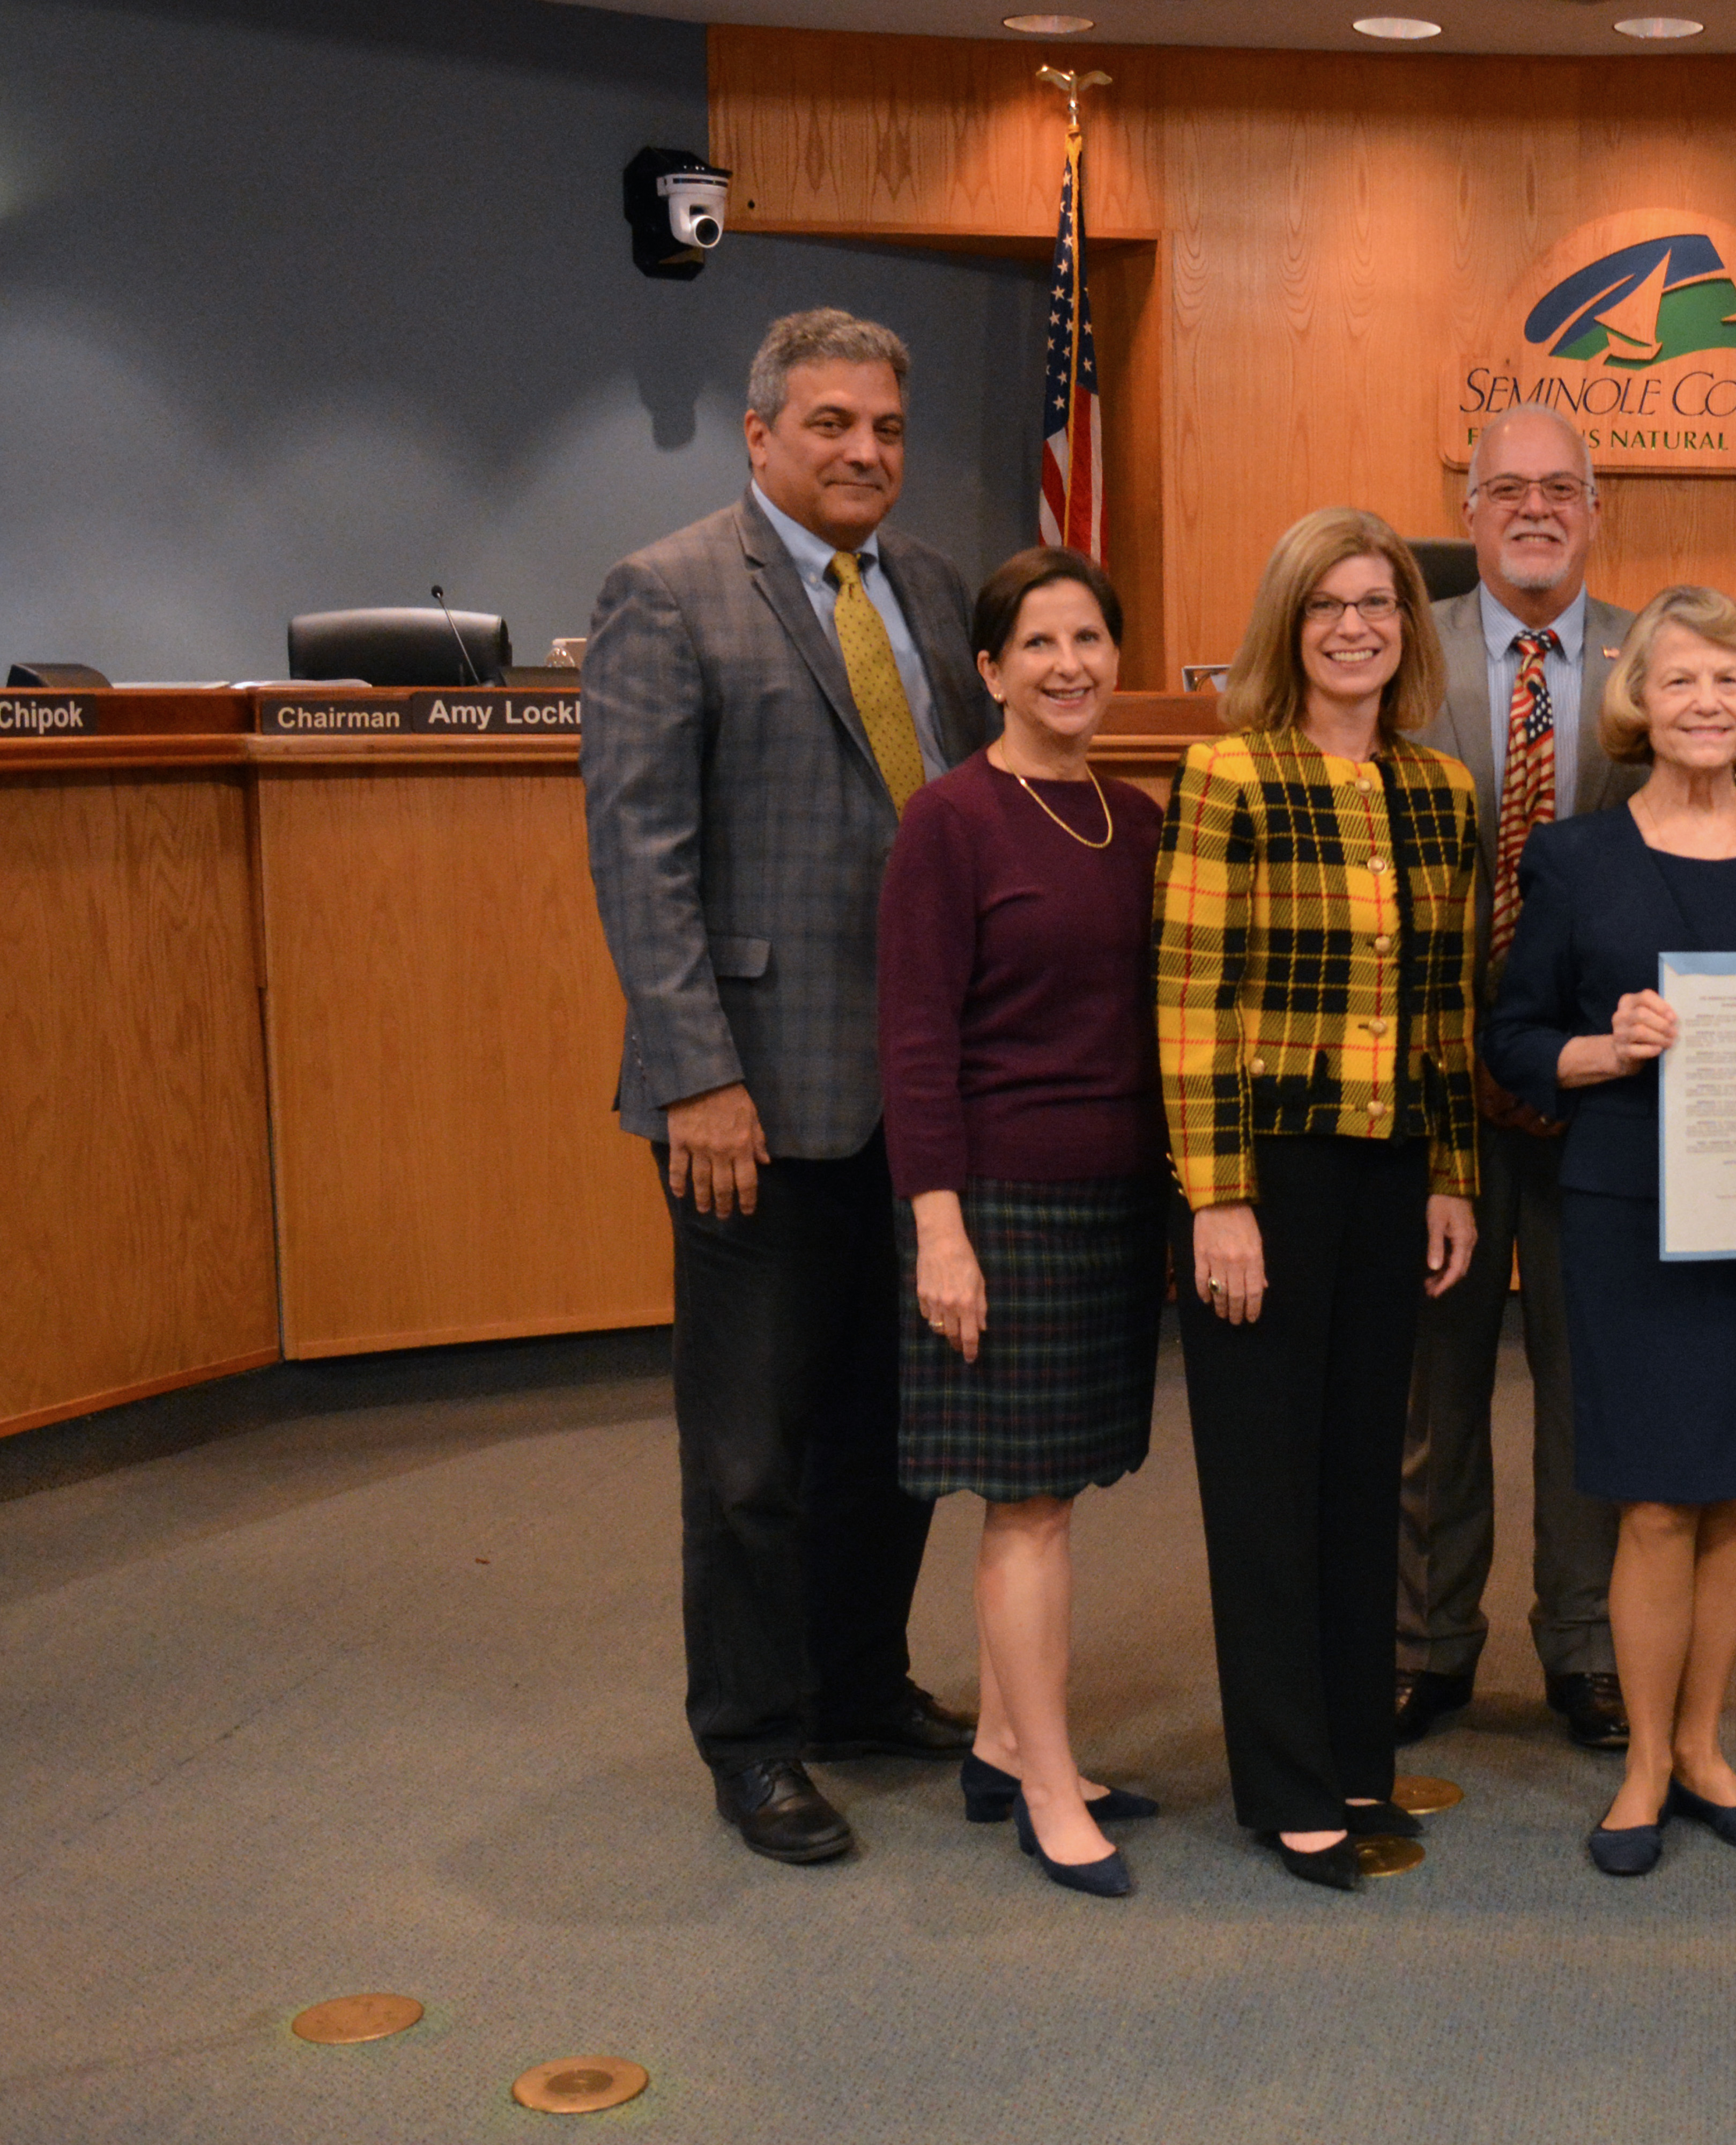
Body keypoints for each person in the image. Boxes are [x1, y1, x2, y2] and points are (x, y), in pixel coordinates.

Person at [582, 308, 998, 1866]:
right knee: (750, 1451)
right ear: (761, 435)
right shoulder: (668, 591)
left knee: (892, 1428)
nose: (864, 453)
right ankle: (754, 1743)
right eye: (830, 425)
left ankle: (857, 1683)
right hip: (750, 1100)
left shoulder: (935, 594)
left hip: (917, 1092)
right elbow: (642, 861)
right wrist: (696, 1078)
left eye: (885, 428)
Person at [1481, 586, 1736, 1877]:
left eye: (1729, 681)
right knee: (1656, 1501)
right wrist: (1606, 1046)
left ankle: (1710, 1744)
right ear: (1638, 703)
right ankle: (1646, 1764)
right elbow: (1514, 1039)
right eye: (1680, 682)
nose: (1707, 704)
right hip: (1633, 1217)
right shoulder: (1576, 857)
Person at [1155, 508, 1486, 1892]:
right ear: (1287, 629)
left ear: (1409, 628)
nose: (1357, 627)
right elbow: (1188, 1004)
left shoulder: (1443, 792)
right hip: (1266, 1176)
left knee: (1364, 1479)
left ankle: (1358, 1758)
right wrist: (1217, 1200)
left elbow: (1450, 1008)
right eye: (1328, 606)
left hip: (1392, 1168)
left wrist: (1455, 1175)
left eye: (1382, 604)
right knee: (1265, 1487)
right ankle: (1288, 1781)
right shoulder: (1230, 772)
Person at [876, 547, 1168, 1899]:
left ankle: (1003, 1740)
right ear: (989, 670)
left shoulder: (1138, 815)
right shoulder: (949, 820)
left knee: (1058, 1492)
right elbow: (916, 1040)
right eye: (1039, 643)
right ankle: (1051, 1786)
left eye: (1091, 639)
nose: (1071, 665)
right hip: (996, 1204)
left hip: (1114, 1197)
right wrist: (941, 1229)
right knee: (1029, 1508)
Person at [1399, 405, 1641, 1757]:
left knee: (1583, 1374)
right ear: (1471, 504)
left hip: (1602, 1080)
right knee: (1432, 1379)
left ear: (1594, 510)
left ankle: (1586, 1645)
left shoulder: (1649, 654)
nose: (1536, 509)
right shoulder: (1394, 642)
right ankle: (1426, 1643)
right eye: (1509, 489)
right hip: (1434, 1077)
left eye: (1562, 489)